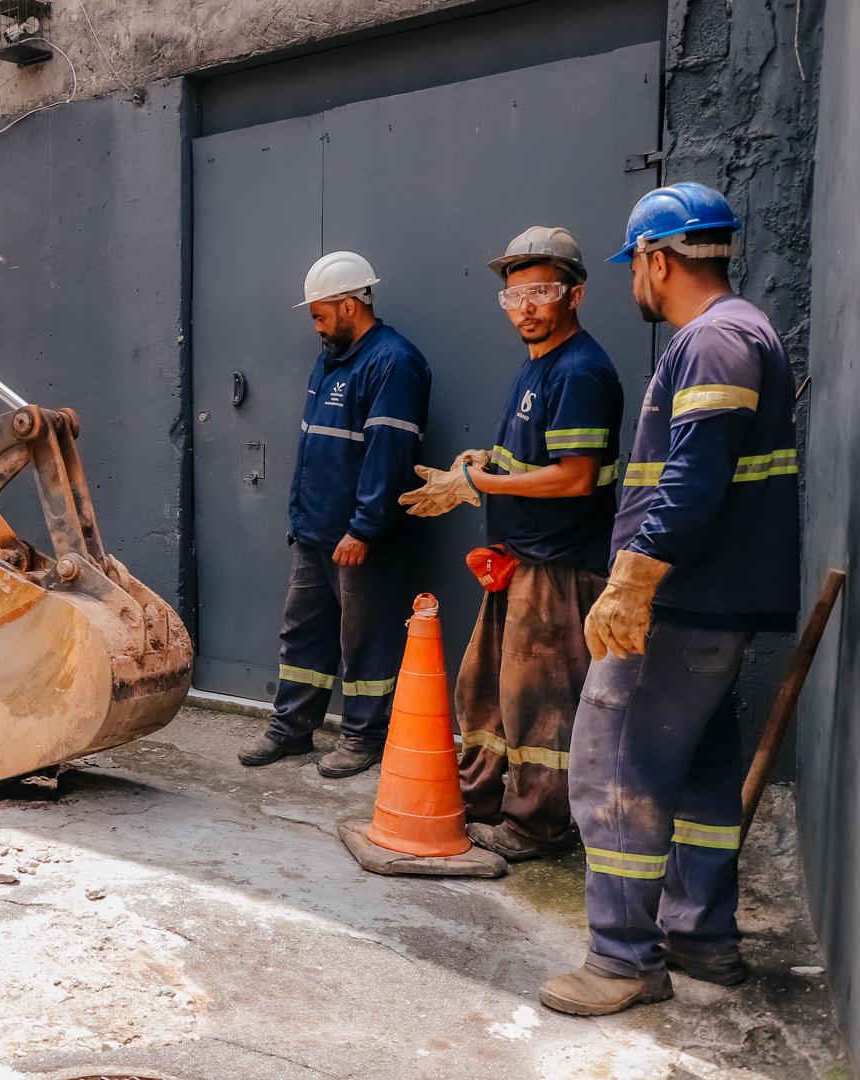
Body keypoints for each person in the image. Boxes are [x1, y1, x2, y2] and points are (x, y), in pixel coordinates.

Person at [537, 183, 799, 1016]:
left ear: (657, 259)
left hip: (677, 604)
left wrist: (636, 574)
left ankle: (622, 960)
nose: (635, 284)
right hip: (712, 605)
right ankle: (701, 938)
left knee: (612, 771)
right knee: (700, 776)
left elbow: (694, 474)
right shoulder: (742, 332)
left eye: (634, 267)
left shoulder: (716, 340)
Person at [397, 227, 624, 861]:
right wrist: (483, 461)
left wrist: (476, 480)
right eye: (513, 295)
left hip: (557, 569)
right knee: (486, 691)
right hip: (521, 564)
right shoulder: (538, 366)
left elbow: (576, 475)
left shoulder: (581, 370)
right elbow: (529, 459)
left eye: (542, 292)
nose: (525, 307)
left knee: (539, 707)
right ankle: (483, 802)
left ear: (574, 294)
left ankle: (538, 828)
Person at [239, 251, 433, 778]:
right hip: (315, 532)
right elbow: (316, 452)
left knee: (364, 640)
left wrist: (364, 528)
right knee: (303, 634)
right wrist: (303, 521)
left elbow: (388, 457)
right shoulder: (332, 358)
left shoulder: (393, 362)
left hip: (358, 538)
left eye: (320, 314)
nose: (315, 325)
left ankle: (363, 737)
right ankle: (291, 728)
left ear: (350, 305)